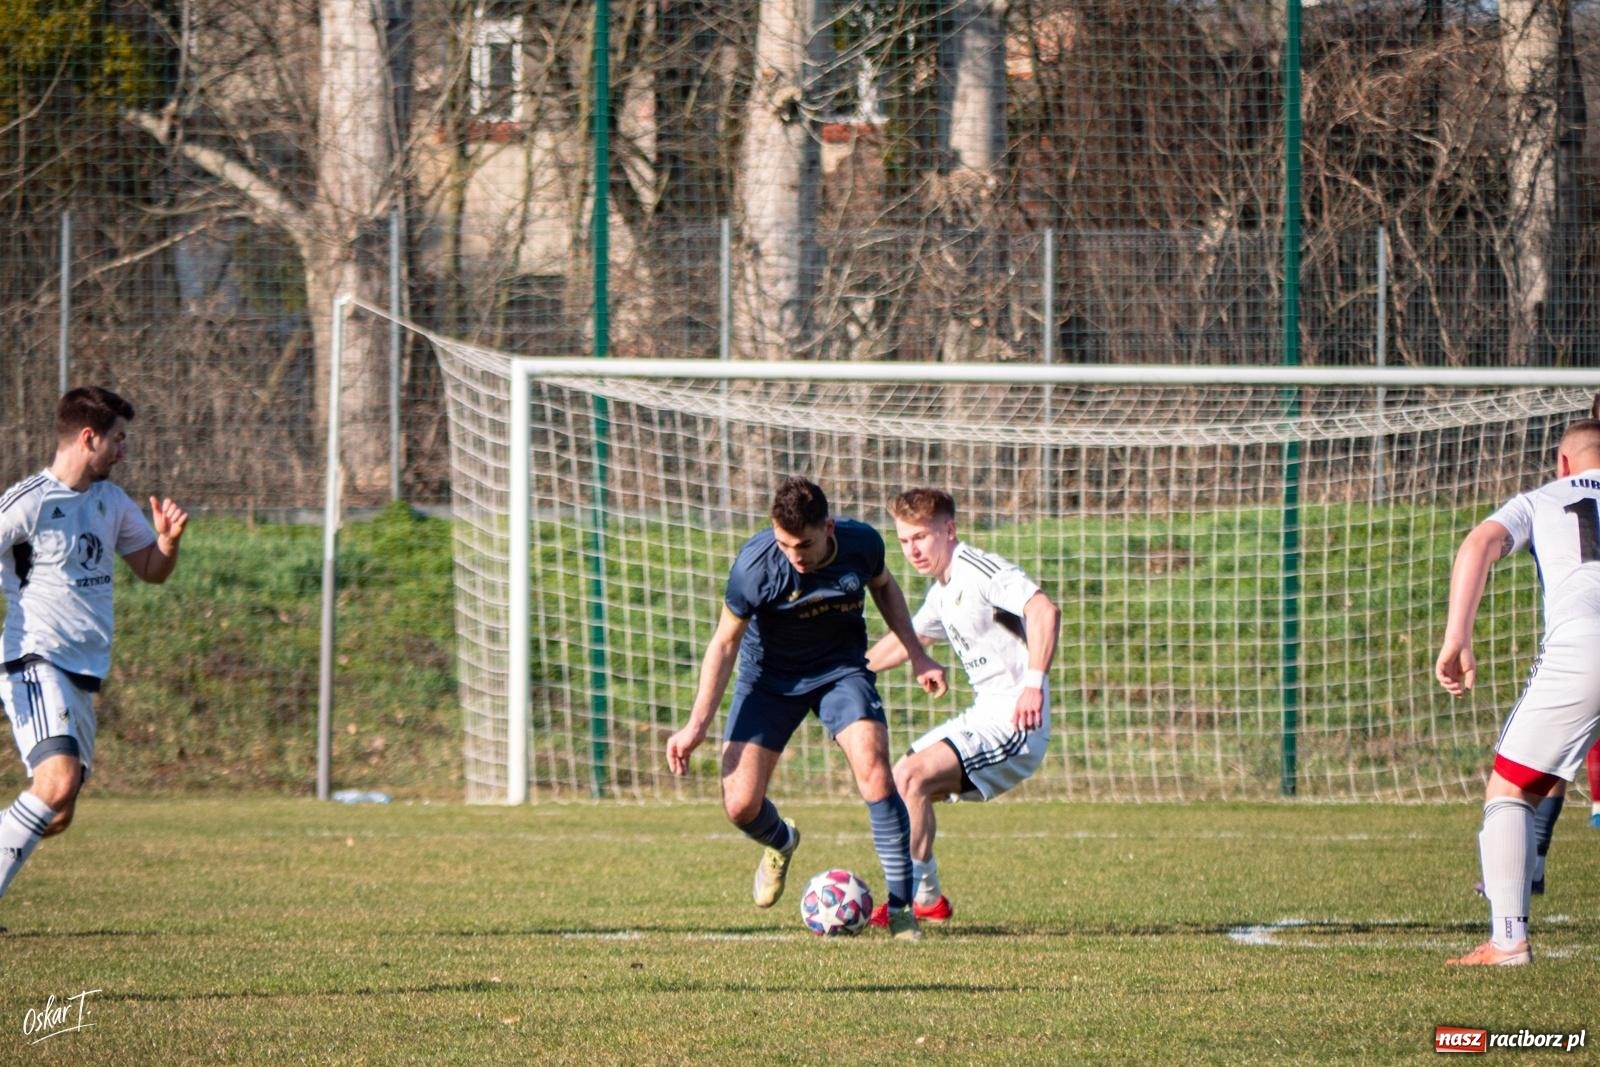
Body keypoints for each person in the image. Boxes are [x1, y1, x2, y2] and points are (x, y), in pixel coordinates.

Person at [665, 476, 946, 940]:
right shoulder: (755, 568)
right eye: (783, 543)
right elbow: (723, 644)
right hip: (769, 679)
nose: (793, 555)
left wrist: (916, 653)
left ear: (829, 528)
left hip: (841, 671)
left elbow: (885, 588)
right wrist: (696, 726)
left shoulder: (862, 544)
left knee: (876, 771)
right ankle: (781, 842)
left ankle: (900, 909)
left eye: (803, 544)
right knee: (739, 805)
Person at [0, 387, 188, 916]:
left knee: (56, 811)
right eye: (118, 439)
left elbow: (150, 570)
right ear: (89, 438)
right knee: (56, 786)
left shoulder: (111, 502)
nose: (123, 450)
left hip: (84, 672)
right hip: (34, 660)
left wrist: (168, 543)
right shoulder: (28, 503)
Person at [1436, 418, 1600, 965]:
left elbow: (1480, 542)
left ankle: (1507, 941)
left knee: (1510, 790)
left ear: (1563, 463)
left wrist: (1457, 637)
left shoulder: (1539, 499)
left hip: (1585, 645)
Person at [863, 488, 1060, 928]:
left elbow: (1044, 610)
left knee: (909, 777)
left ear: (949, 531)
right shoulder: (941, 591)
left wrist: (1034, 684)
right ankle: (928, 897)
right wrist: (846, 672)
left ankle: (904, 904)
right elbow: (908, 641)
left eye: (920, 538)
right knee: (900, 782)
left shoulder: (980, 571)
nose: (912, 550)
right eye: (903, 541)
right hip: (985, 713)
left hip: (1016, 721)